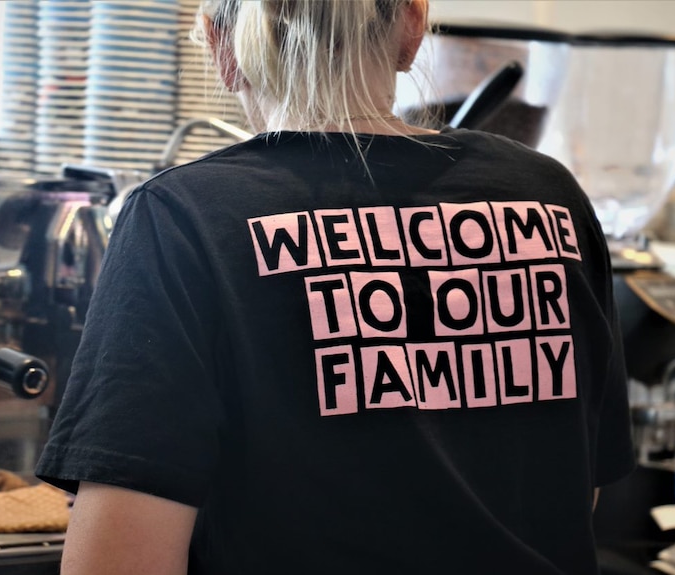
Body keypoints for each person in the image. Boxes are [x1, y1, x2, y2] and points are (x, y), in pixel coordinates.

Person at [35, 1, 636, 573]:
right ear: (411, 26)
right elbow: (575, 488)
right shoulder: (547, 194)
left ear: (221, 46)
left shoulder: (182, 216)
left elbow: (120, 559)